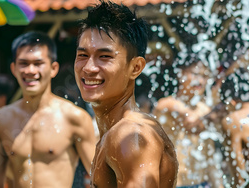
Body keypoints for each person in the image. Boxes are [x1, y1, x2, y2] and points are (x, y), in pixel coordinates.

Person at [74, 1, 178, 187]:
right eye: (82, 55)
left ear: (135, 67)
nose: (88, 68)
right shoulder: (119, 131)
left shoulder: (129, 135)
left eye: (104, 56)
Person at [0, 31, 97, 187]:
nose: (30, 70)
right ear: (14, 68)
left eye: (38, 63)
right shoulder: (0, 120)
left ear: (53, 68)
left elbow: (99, 179)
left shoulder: (74, 118)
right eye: (23, 63)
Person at [153, 58, 223, 187]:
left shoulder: (204, 109)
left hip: (201, 183)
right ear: (180, 74)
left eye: (205, 76)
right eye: (195, 74)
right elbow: (190, 120)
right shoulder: (167, 105)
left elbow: (209, 155)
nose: (200, 80)